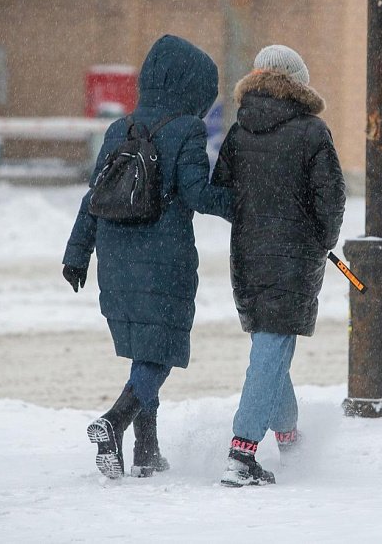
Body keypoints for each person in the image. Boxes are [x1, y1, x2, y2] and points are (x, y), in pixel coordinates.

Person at [62, 35, 233, 479]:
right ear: (194, 87)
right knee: (159, 352)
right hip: (163, 255)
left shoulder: (120, 129)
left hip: (115, 257)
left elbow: (93, 196)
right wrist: (246, 206)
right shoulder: (187, 129)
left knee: (146, 346)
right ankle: (115, 421)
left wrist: (77, 253)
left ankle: (147, 449)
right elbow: (197, 193)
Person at [212, 44, 345, 487]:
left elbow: (224, 191)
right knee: (270, 351)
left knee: (273, 349)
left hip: (248, 258)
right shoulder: (312, 132)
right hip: (294, 259)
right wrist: (320, 240)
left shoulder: (239, 130)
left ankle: (289, 439)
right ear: (298, 84)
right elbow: (332, 199)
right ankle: (241, 452)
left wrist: (254, 223)